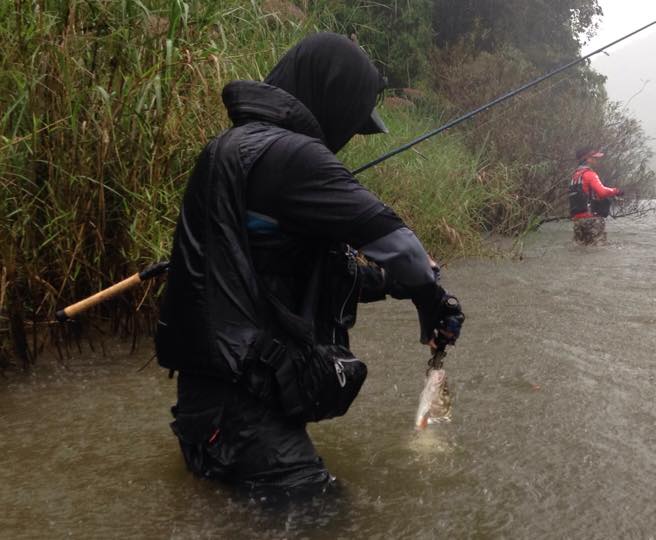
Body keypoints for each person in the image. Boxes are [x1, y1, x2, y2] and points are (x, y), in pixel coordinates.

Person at [155, 33, 465, 494]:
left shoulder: (229, 148)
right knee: (330, 520)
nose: (345, 136)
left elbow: (298, 267)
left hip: (207, 404)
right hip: (244, 414)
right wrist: (432, 302)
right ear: (331, 98)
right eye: (350, 118)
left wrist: (390, 285)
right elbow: (404, 250)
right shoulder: (294, 155)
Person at [569, 147, 624, 245]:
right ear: (587, 159)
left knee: (580, 250)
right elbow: (602, 192)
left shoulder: (575, 175)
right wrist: (616, 191)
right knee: (598, 251)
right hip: (591, 219)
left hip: (577, 220)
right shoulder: (590, 174)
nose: (596, 160)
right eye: (594, 157)